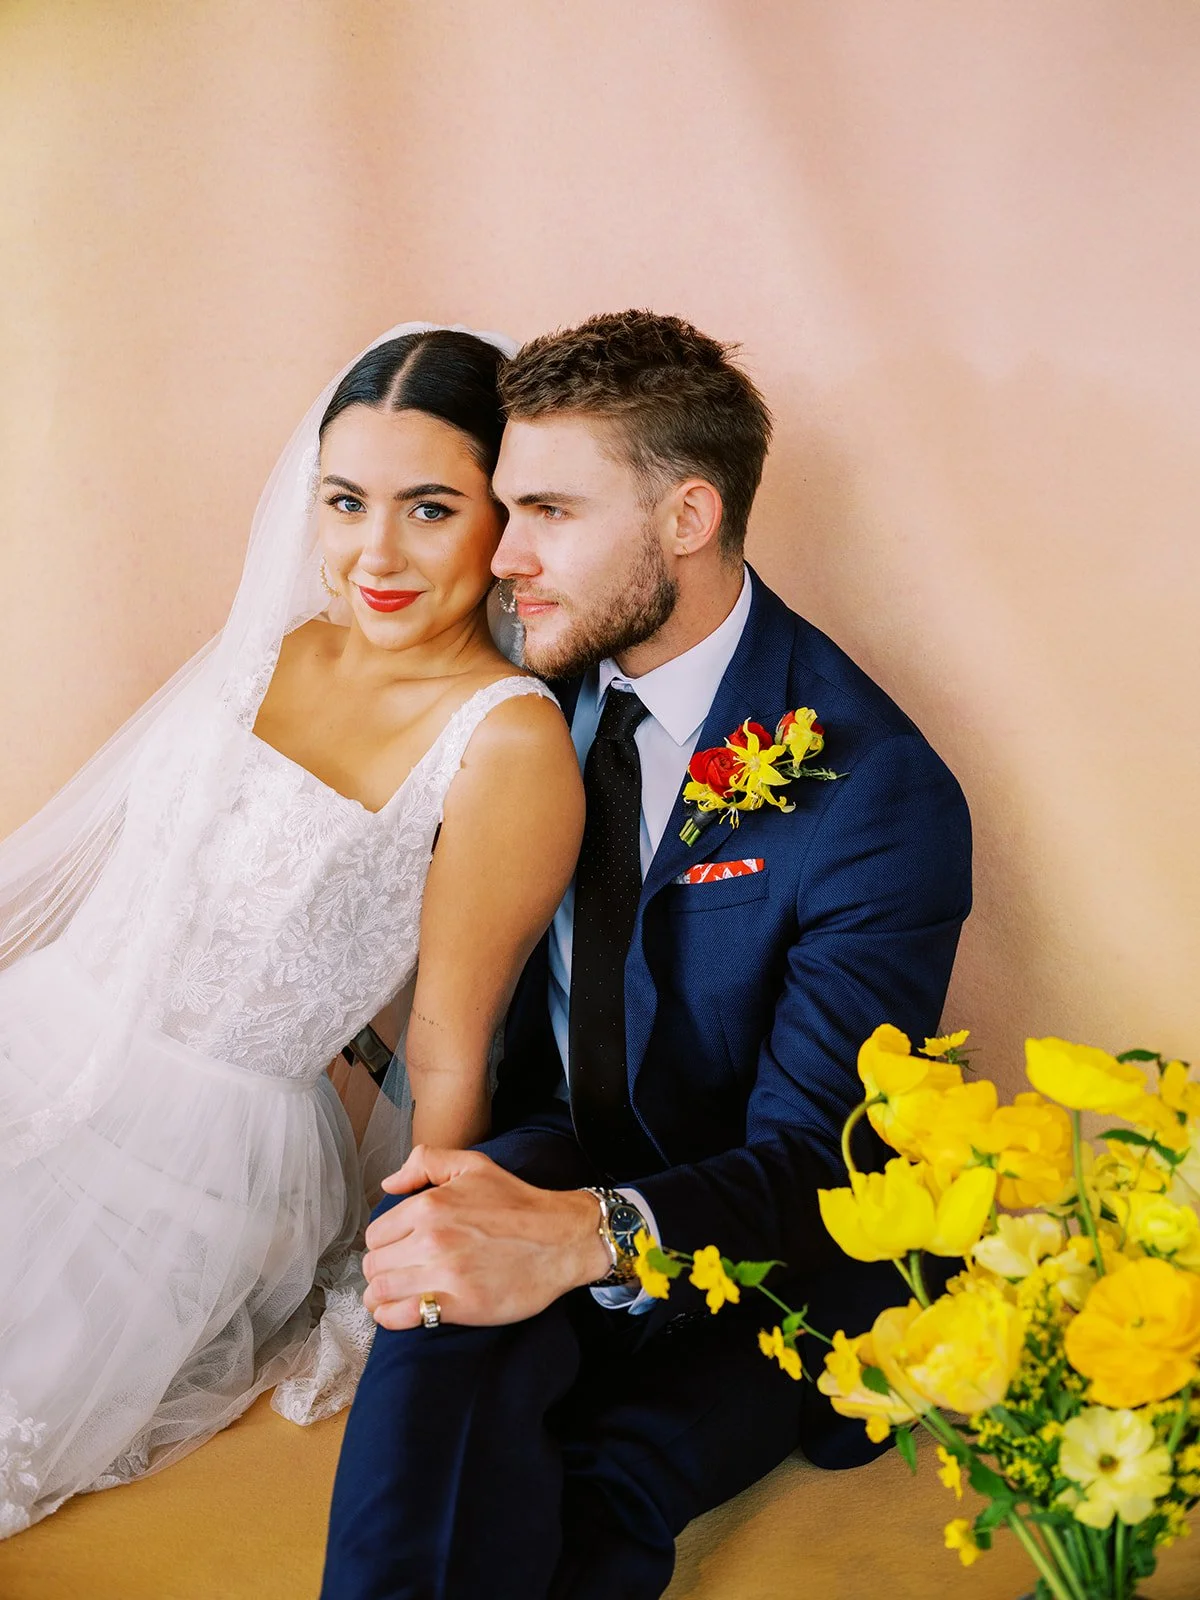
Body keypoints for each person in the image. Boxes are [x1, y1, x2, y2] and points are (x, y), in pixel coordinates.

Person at [321, 310, 974, 1600]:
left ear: (688, 516)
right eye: (504, 508)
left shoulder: (875, 789)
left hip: (768, 1244)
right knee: (435, 1289)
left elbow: (815, 1166)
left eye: (550, 511)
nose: (503, 556)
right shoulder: (521, 678)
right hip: (555, 1143)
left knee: (607, 1476)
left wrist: (589, 1235)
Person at [0, 324, 583, 1538]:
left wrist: (402, 1275)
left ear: (503, 518)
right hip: (46, 1031)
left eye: (430, 507)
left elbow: (447, 1048)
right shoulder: (271, 646)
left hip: (196, 1158)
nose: (375, 553)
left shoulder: (506, 741)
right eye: (345, 500)